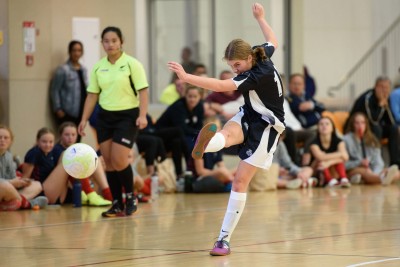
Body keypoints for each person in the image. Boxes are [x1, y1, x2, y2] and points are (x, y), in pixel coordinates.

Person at [168, 3, 285, 256]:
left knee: (240, 181)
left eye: (237, 65)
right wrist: (261, 18)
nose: (235, 69)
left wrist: (187, 79)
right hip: (250, 113)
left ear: (249, 59)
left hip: (268, 125)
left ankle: (224, 238)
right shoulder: (260, 52)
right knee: (226, 135)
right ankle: (205, 144)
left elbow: (221, 87)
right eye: (232, 65)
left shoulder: (256, 74)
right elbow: (273, 40)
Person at [78, 26, 149, 217]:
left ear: (121, 42)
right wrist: (84, 119)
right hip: (105, 117)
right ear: (102, 43)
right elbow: (92, 95)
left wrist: (143, 115)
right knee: (108, 162)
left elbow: (143, 91)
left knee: (119, 159)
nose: (110, 44)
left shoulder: (132, 64)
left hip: (127, 116)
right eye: (106, 41)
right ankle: (116, 202)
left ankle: (131, 197)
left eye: (114, 40)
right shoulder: (98, 66)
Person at [53, 122, 112, 205]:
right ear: (60, 135)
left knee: (96, 159)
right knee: (71, 156)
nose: (70, 138)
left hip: (79, 184)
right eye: (67, 135)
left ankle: (107, 193)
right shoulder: (57, 149)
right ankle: (92, 193)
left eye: (73, 135)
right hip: (65, 188)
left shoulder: (76, 148)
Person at [347, 76, 400, 166]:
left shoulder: (386, 98)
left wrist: (386, 108)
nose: (384, 90)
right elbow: (373, 120)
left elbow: (391, 121)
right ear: (375, 87)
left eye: (386, 88)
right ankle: (376, 161)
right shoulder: (368, 98)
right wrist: (380, 106)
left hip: (373, 128)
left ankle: (396, 163)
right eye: (381, 87)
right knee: (377, 128)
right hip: (356, 127)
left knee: (394, 128)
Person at [0, 125, 48, 211]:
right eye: (0, 137)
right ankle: (28, 204)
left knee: (37, 185)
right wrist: (12, 182)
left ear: (11, 141)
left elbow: (12, 178)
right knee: (4, 185)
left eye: (6, 138)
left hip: (7, 191)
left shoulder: (8, 156)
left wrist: (21, 182)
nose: (2, 140)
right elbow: (6, 183)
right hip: (3, 187)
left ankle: (8, 204)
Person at [343, 112, 399, 185]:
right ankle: (381, 178)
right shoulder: (346, 140)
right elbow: (343, 164)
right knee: (365, 171)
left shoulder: (372, 140)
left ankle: (376, 178)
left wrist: (375, 173)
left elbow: (378, 162)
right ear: (352, 125)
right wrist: (359, 163)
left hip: (371, 171)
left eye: (363, 123)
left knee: (397, 172)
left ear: (366, 125)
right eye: (357, 123)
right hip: (355, 169)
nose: (360, 126)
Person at [50, 40, 88, 141]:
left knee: (78, 139)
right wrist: (58, 108)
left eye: (79, 50)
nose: (77, 53)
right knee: (67, 140)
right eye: (74, 50)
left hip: (81, 111)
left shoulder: (83, 69)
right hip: (67, 111)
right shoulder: (63, 69)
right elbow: (55, 89)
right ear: (70, 52)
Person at [155, 86, 205, 151]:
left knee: (204, 145)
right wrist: (198, 133)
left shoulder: (200, 107)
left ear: (200, 97)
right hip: (163, 134)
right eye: (190, 96)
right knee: (190, 144)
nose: (192, 99)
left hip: (182, 135)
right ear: (185, 95)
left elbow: (199, 125)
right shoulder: (179, 106)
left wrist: (199, 134)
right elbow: (181, 128)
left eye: (195, 97)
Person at [309, 117, 350, 187]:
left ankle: (343, 178)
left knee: (338, 161)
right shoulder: (313, 143)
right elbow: (320, 157)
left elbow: (346, 157)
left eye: (327, 124)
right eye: (321, 124)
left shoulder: (339, 141)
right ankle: (329, 180)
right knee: (320, 161)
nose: (324, 126)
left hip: (331, 168)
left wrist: (328, 162)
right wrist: (339, 154)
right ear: (318, 128)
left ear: (333, 128)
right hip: (316, 170)